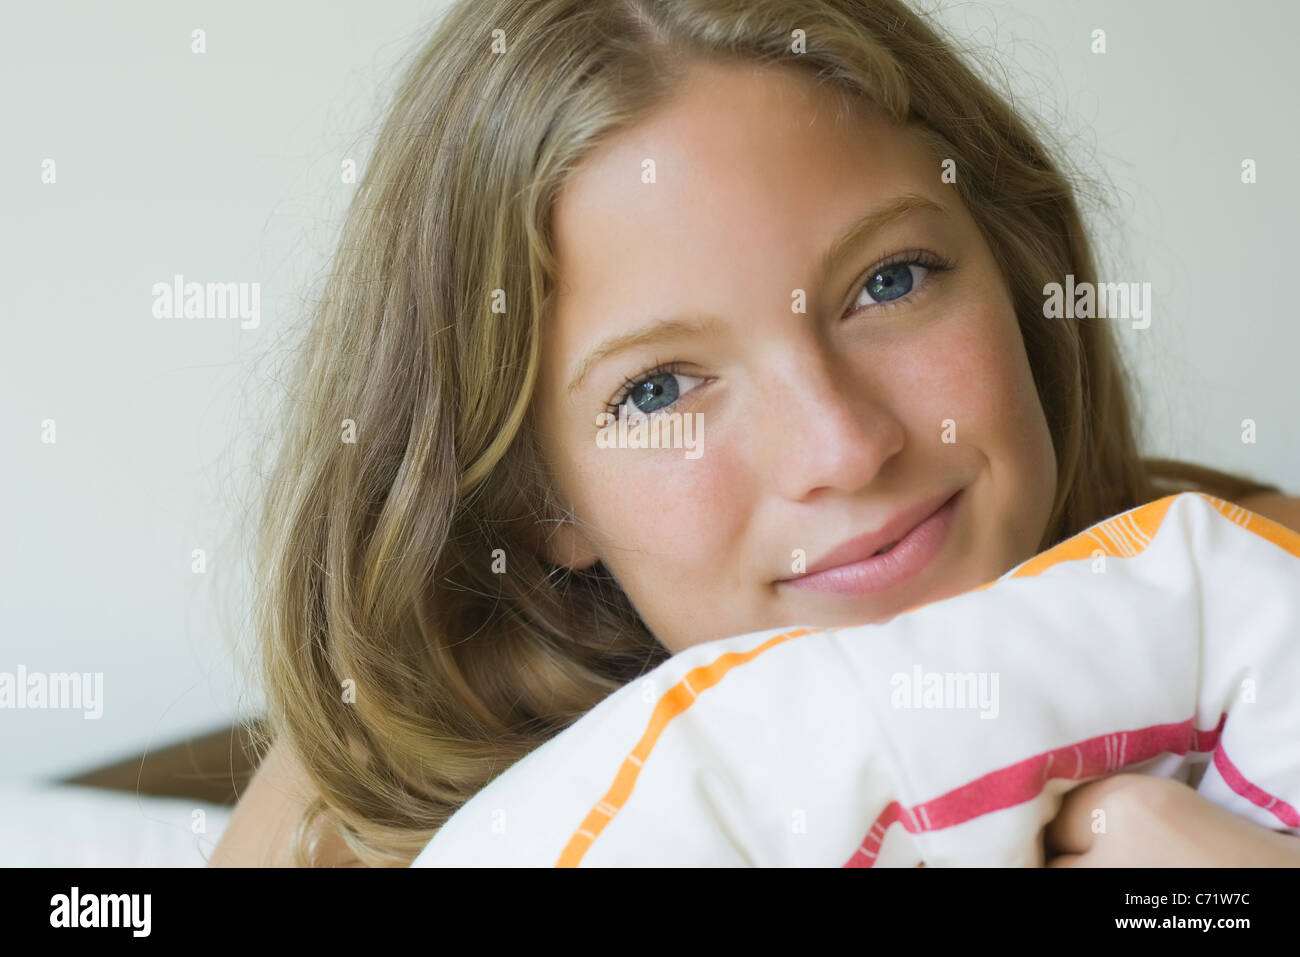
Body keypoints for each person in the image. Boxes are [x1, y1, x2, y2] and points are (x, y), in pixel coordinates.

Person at [210, 0, 1299, 867]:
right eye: (658, 389)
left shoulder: (1257, 588)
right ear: (535, 507)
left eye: (888, 282)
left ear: (1017, 275)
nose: (842, 446)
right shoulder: (354, 819)